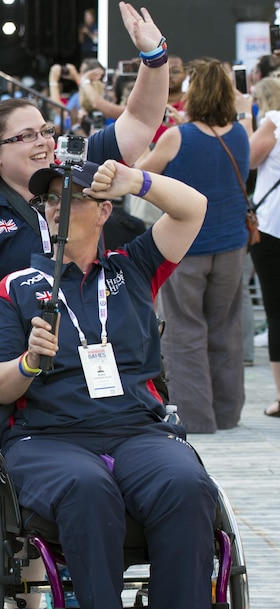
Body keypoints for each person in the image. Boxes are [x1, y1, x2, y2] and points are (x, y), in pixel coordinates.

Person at [0, 158, 219, 609]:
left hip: (137, 428)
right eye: (48, 200)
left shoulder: (132, 267)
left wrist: (136, 181)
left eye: (74, 198)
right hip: (48, 435)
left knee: (186, 483)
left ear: (105, 209)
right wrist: (27, 364)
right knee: (88, 489)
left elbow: (194, 208)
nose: (58, 208)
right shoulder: (16, 287)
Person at [0, 2, 171, 368]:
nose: (44, 142)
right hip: (25, 354)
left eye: (46, 131)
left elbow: (143, 120)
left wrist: (154, 56)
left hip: (100, 342)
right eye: (26, 136)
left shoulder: (77, 166)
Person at [136, 58, 253, 433]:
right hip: (232, 243)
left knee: (185, 330)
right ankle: (227, 413)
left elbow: (140, 174)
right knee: (226, 327)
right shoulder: (239, 132)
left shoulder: (177, 136)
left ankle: (197, 418)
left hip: (185, 248)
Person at [250, 76, 280, 418]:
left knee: (276, 313)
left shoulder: (273, 122)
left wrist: (246, 117)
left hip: (272, 227)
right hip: (272, 227)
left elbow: (247, 159)